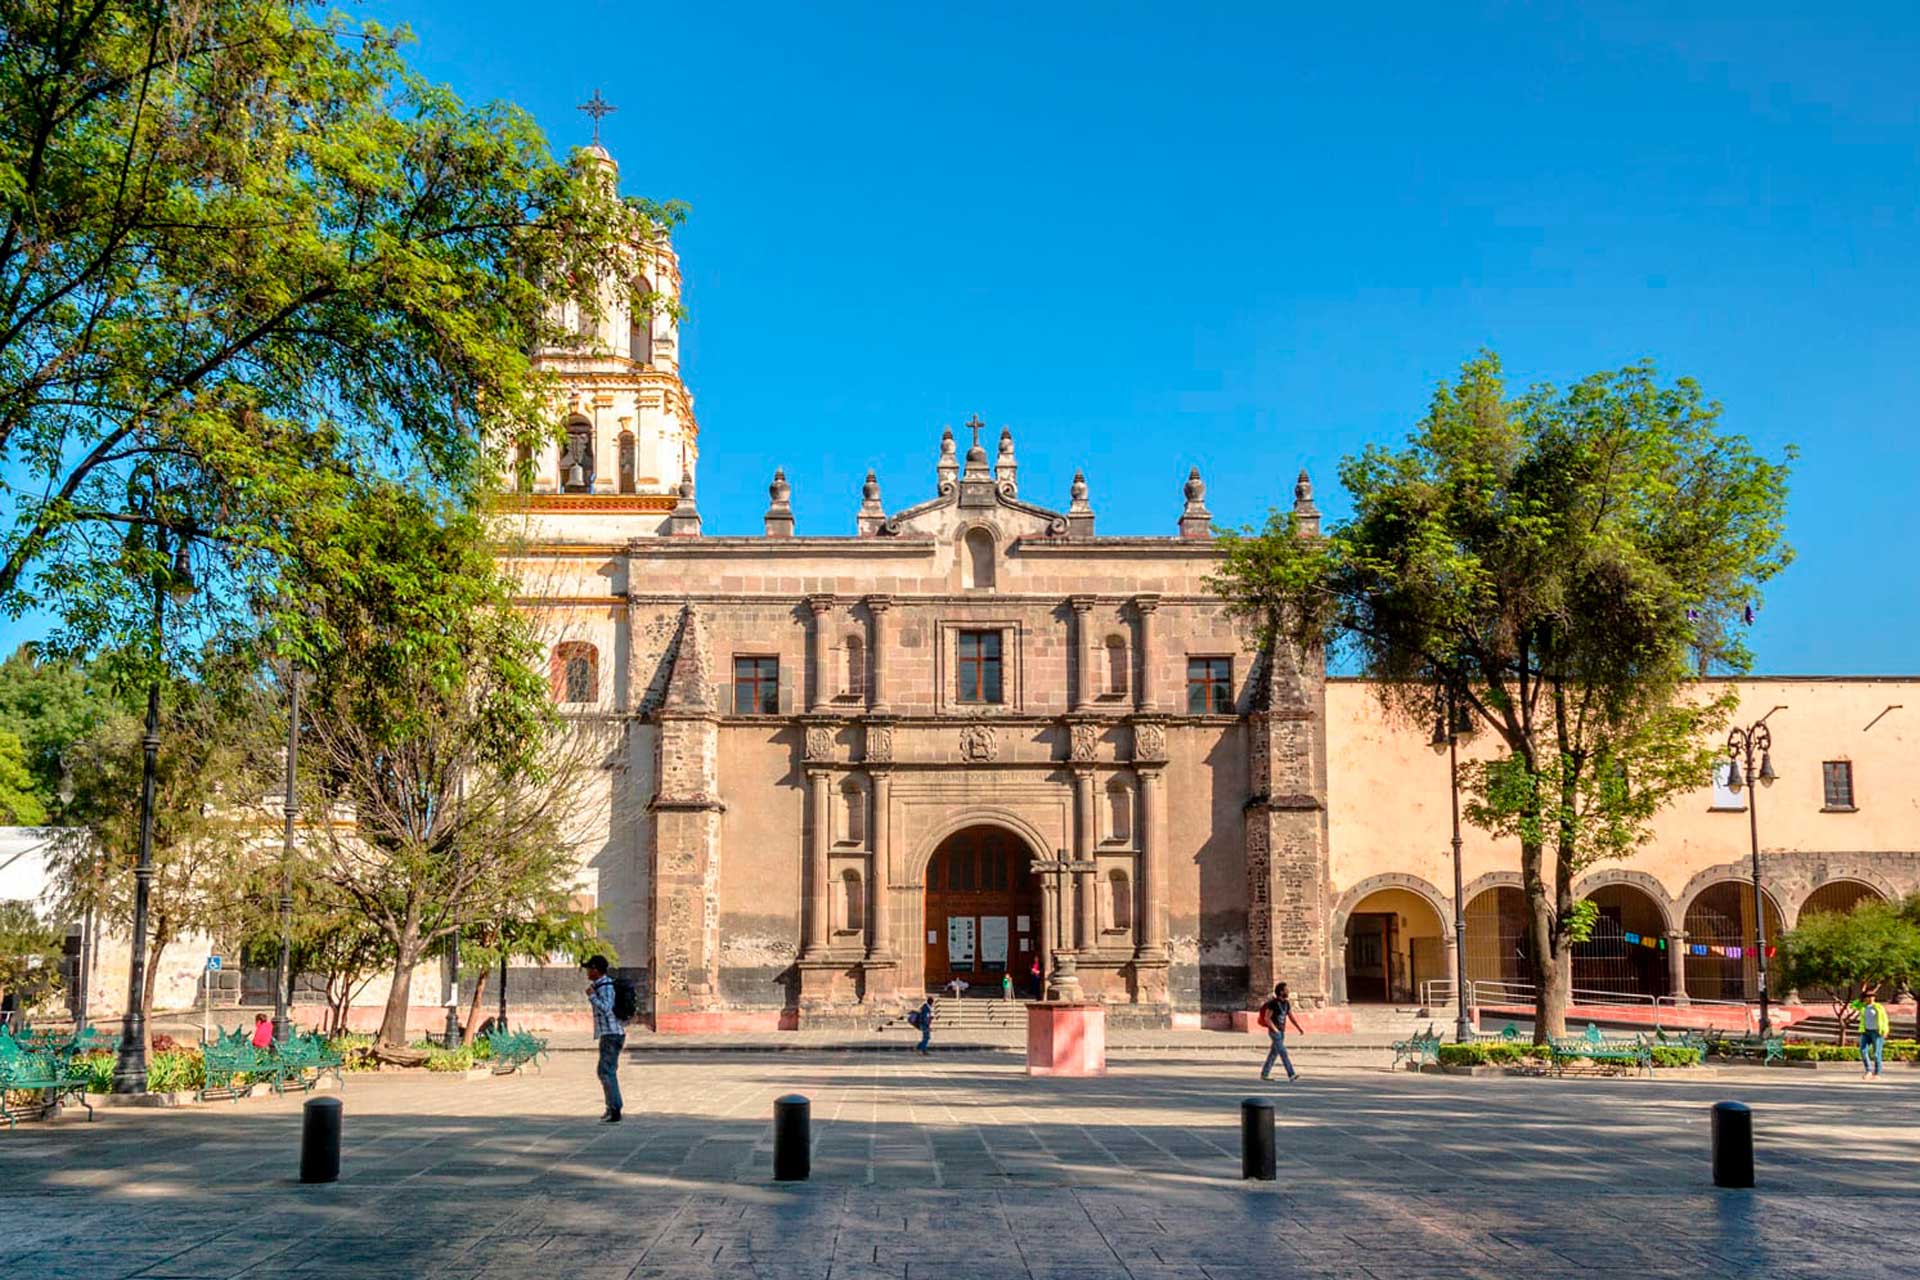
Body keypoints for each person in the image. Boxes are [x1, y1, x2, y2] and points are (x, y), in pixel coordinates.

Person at [583, 955, 624, 1122]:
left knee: (606, 1071)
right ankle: (611, 1107)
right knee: (605, 1071)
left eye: (589, 969)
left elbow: (607, 1008)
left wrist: (592, 996)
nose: (587, 972)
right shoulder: (600, 985)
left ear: (595, 970)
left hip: (611, 1034)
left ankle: (614, 1109)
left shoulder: (605, 987)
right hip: (608, 1033)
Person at [1258, 981, 1305, 1082]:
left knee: (1273, 1053)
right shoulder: (1273, 1003)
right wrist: (1274, 1029)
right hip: (1275, 1032)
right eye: (1286, 990)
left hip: (1282, 1032)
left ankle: (1264, 1074)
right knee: (1283, 1052)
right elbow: (1267, 1018)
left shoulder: (1286, 1003)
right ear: (1281, 992)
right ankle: (1291, 1074)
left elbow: (1291, 1017)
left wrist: (1298, 1027)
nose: (1288, 991)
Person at [1855, 989, 1890, 1079]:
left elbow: (1884, 1019)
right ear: (1865, 998)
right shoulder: (1863, 1007)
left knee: (1876, 1053)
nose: (1870, 998)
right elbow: (1853, 1005)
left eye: (1872, 996)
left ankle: (1877, 1073)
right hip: (1866, 1031)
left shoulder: (1878, 1007)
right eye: (1868, 997)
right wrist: (1860, 997)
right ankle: (1868, 1071)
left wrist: (1885, 1030)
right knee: (1863, 1051)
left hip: (1877, 1032)